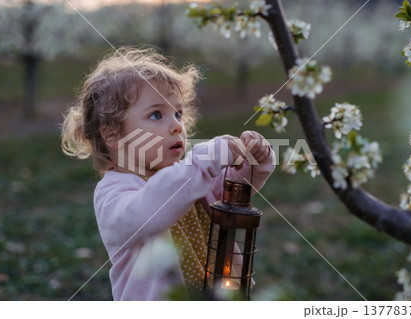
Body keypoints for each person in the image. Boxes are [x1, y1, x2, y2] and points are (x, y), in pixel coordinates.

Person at [61, 48, 275, 300]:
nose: (176, 126)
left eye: (178, 113)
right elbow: (150, 210)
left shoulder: (184, 176)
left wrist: (251, 164)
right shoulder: (113, 194)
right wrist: (201, 163)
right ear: (113, 135)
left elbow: (227, 191)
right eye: (155, 115)